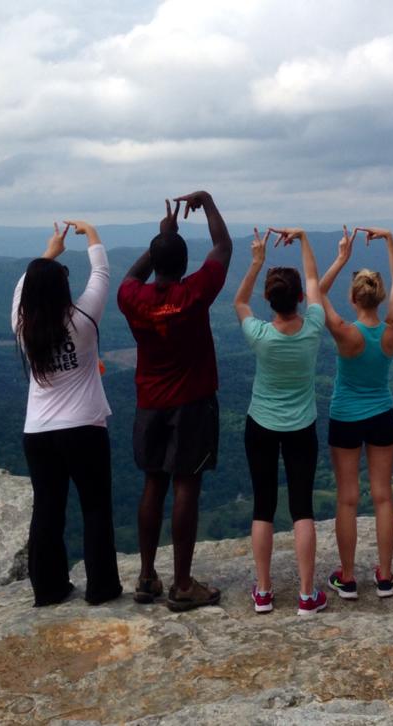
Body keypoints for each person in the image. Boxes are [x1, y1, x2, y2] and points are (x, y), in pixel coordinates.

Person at [117, 192, 232, 612]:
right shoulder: (194, 293)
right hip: (193, 403)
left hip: (150, 402)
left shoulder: (133, 299)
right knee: (187, 485)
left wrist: (161, 237)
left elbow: (131, 275)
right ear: (185, 266)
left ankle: (147, 576)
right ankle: (182, 584)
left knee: (154, 482)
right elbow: (223, 247)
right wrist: (208, 203)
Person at [12, 220, 122, 607]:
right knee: (95, 508)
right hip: (85, 428)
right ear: (62, 289)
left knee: (47, 508)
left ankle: (49, 588)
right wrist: (91, 233)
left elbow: (24, 287)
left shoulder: (22, 325)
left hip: (38, 431)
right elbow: (102, 273)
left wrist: (49, 251)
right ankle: (102, 587)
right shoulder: (83, 320)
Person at [234, 226, 328, 616]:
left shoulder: (259, 334)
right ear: (302, 301)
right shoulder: (313, 328)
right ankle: (307, 595)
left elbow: (239, 301)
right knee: (302, 507)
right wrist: (304, 239)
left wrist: (256, 262)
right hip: (301, 427)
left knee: (263, 507)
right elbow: (312, 278)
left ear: (269, 301)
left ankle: (264, 591)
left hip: (261, 425)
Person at [318, 226, 393, 599]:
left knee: (347, 497)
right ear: (380, 299)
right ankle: (384, 576)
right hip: (382, 413)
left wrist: (341, 257)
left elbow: (316, 293)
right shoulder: (390, 329)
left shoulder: (343, 332)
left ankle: (348, 577)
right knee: (383, 496)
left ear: (354, 299)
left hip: (346, 417)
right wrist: (389, 240)